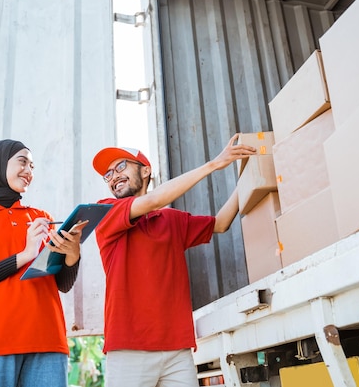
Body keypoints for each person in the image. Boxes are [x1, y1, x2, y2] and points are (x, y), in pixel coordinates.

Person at [91, 133, 257, 387]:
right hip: (128, 348)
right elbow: (155, 199)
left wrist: (247, 177)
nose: (113, 176)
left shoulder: (172, 220)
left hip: (176, 349)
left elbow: (221, 224)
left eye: (121, 166)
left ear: (145, 171)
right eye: (108, 174)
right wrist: (214, 164)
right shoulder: (105, 212)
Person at [0, 139, 84, 387]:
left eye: (32, 166)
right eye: (22, 162)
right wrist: (25, 254)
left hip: (47, 342)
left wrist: (72, 252)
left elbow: (61, 284)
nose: (29, 171)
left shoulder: (42, 218)